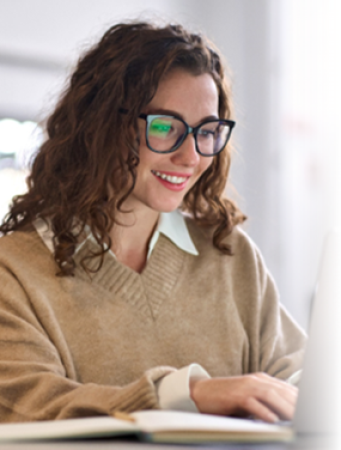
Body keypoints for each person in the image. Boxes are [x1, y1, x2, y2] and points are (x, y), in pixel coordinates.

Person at [0, 21, 306, 424]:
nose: (191, 158)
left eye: (207, 132)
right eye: (165, 127)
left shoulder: (231, 257)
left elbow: (298, 382)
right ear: (100, 126)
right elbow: (31, 407)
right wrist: (188, 395)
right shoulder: (14, 271)